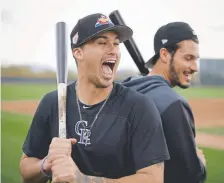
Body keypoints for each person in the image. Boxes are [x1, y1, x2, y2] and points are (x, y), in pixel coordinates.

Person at [19, 13, 170, 183]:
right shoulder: (52, 103)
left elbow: (153, 179)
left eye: (116, 44)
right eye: (102, 43)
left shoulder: (139, 107)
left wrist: (83, 180)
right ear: (78, 53)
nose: (113, 50)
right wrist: (46, 164)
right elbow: (26, 171)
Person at [122, 22, 207, 183]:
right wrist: (200, 164)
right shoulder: (173, 104)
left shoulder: (125, 90)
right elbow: (189, 176)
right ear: (165, 54)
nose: (195, 67)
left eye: (196, 59)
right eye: (188, 58)